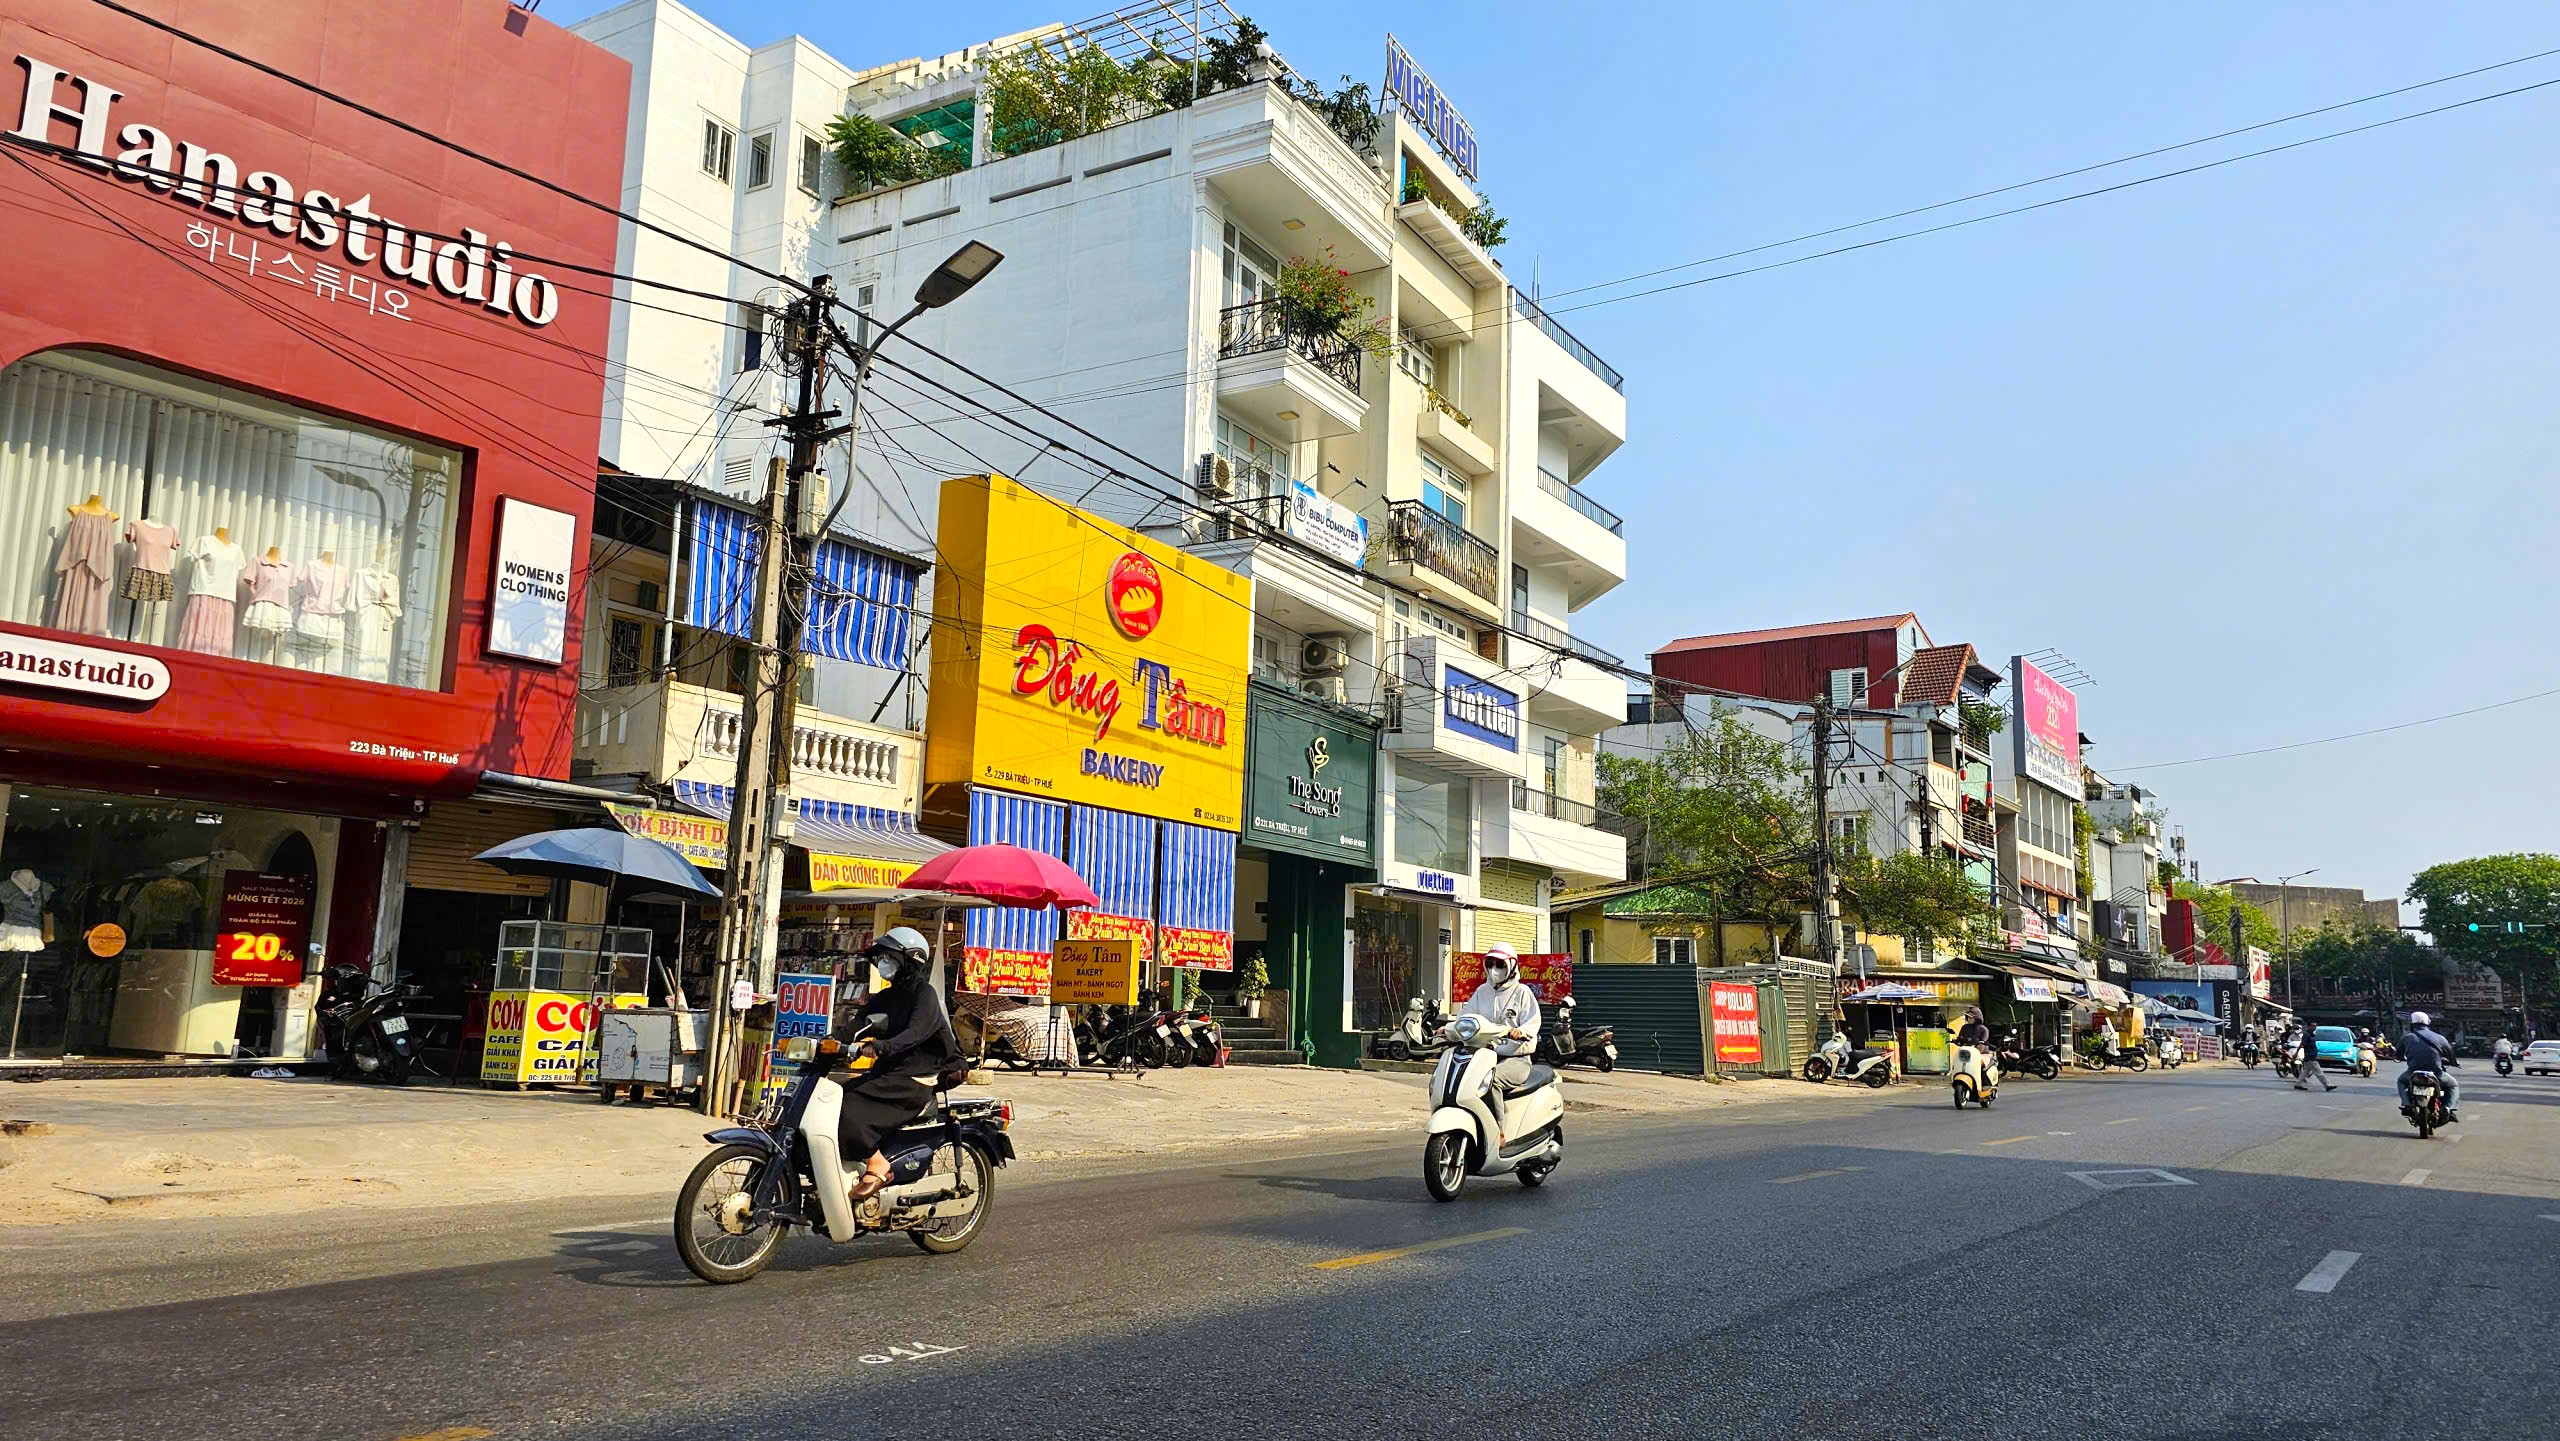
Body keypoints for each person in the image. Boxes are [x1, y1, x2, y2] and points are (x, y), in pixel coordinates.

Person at [834, 926, 960, 1202]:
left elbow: (915, 1033)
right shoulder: (886, 997)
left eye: (888, 957)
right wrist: (826, 1042)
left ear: (908, 961)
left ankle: (877, 1163)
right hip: (890, 1074)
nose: (882, 963)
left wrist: (881, 1046)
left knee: (848, 1106)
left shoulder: (924, 995)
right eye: (880, 957)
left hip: (915, 1079)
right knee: (830, 1096)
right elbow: (857, 1024)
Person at [1459, 944, 1541, 1115]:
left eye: (1500, 964)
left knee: (1491, 1080)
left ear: (1511, 966)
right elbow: (1465, 1017)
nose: (1494, 969)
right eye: (1490, 964)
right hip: (1484, 1056)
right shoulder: (1482, 991)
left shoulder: (1522, 992)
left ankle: (1498, 1127)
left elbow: (1533, 1021)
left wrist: (1521, 1032)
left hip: (1516, 1058)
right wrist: (1448, 1028)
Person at [2397, 1011, 2459, 1123]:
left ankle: (2406, 1104)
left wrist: (2400, 1058)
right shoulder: (2440, 1038)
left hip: (2413, 1073)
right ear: (2427, 1023)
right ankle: (2449, 1108)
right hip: (2436, 1074)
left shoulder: (2406, 1037)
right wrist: (2454, 1063)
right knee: (2453, 1085)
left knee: (2401, 1081)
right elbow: (2450, 1054)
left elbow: (2398, 1054)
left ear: (2412, 1024)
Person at [2291, 1020, 2336, 1092]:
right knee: (2319, 1071)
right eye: (2312, 1026)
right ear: (2308, 1026)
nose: (2314, 1027)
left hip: (2311, 1055)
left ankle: (2298, 1084)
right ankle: (2327, 1085)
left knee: (2305, 1072)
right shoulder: (2306, 1035)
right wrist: (2296, 1053)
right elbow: (2302, 1044)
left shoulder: (2312, 1034)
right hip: (2310, 1056)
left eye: (2315, 1026)